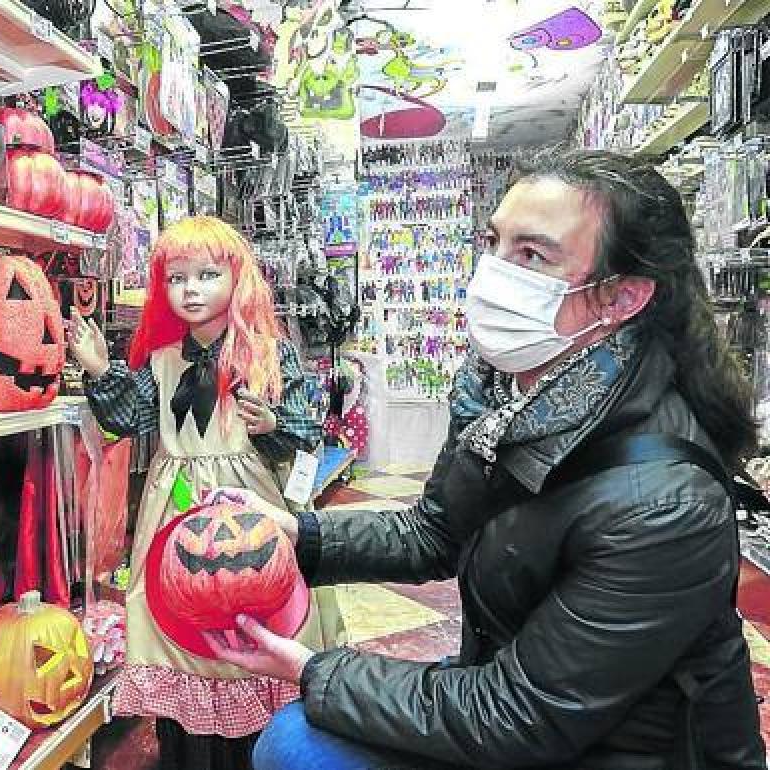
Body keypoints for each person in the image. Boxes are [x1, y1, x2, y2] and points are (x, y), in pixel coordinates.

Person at [205, 148, 768, 769]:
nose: (492, 274)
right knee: (298, 740)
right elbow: (436, 529)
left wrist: (316, 671)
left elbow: (518, 718)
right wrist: (301, 536)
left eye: (533, 256)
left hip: (613, 748)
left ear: (621, 297)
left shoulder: (662, 504)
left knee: (300, 748)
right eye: (494, 242)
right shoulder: (506, 398)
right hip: (528, 704)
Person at [67, 215, 344, 770]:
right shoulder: (162, 361)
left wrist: (273, 425)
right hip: (174, 510)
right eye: (176, 278)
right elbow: (134, 418)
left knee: (255, 620)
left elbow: (307, 430)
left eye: (206, 275)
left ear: (236, 279)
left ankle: (263, 747)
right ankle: (189, 748)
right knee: (180, 623)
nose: (190, 289)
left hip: (251, 509)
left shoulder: (267, 353)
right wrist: (100, 370)